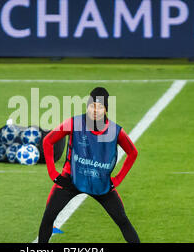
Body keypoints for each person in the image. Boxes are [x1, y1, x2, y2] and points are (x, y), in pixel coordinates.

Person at [38, 87, 140, 243]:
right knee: (48, 217)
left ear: (106, 109)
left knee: (122, 220)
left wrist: (117, 179)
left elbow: (133, 153)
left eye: (99, 107)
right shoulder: (74, 123)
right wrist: (53, 173)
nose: (95, 110)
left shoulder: (115, 131)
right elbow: (48, 141)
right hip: (70, 180)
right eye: (92, 105)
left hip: (100, 183)